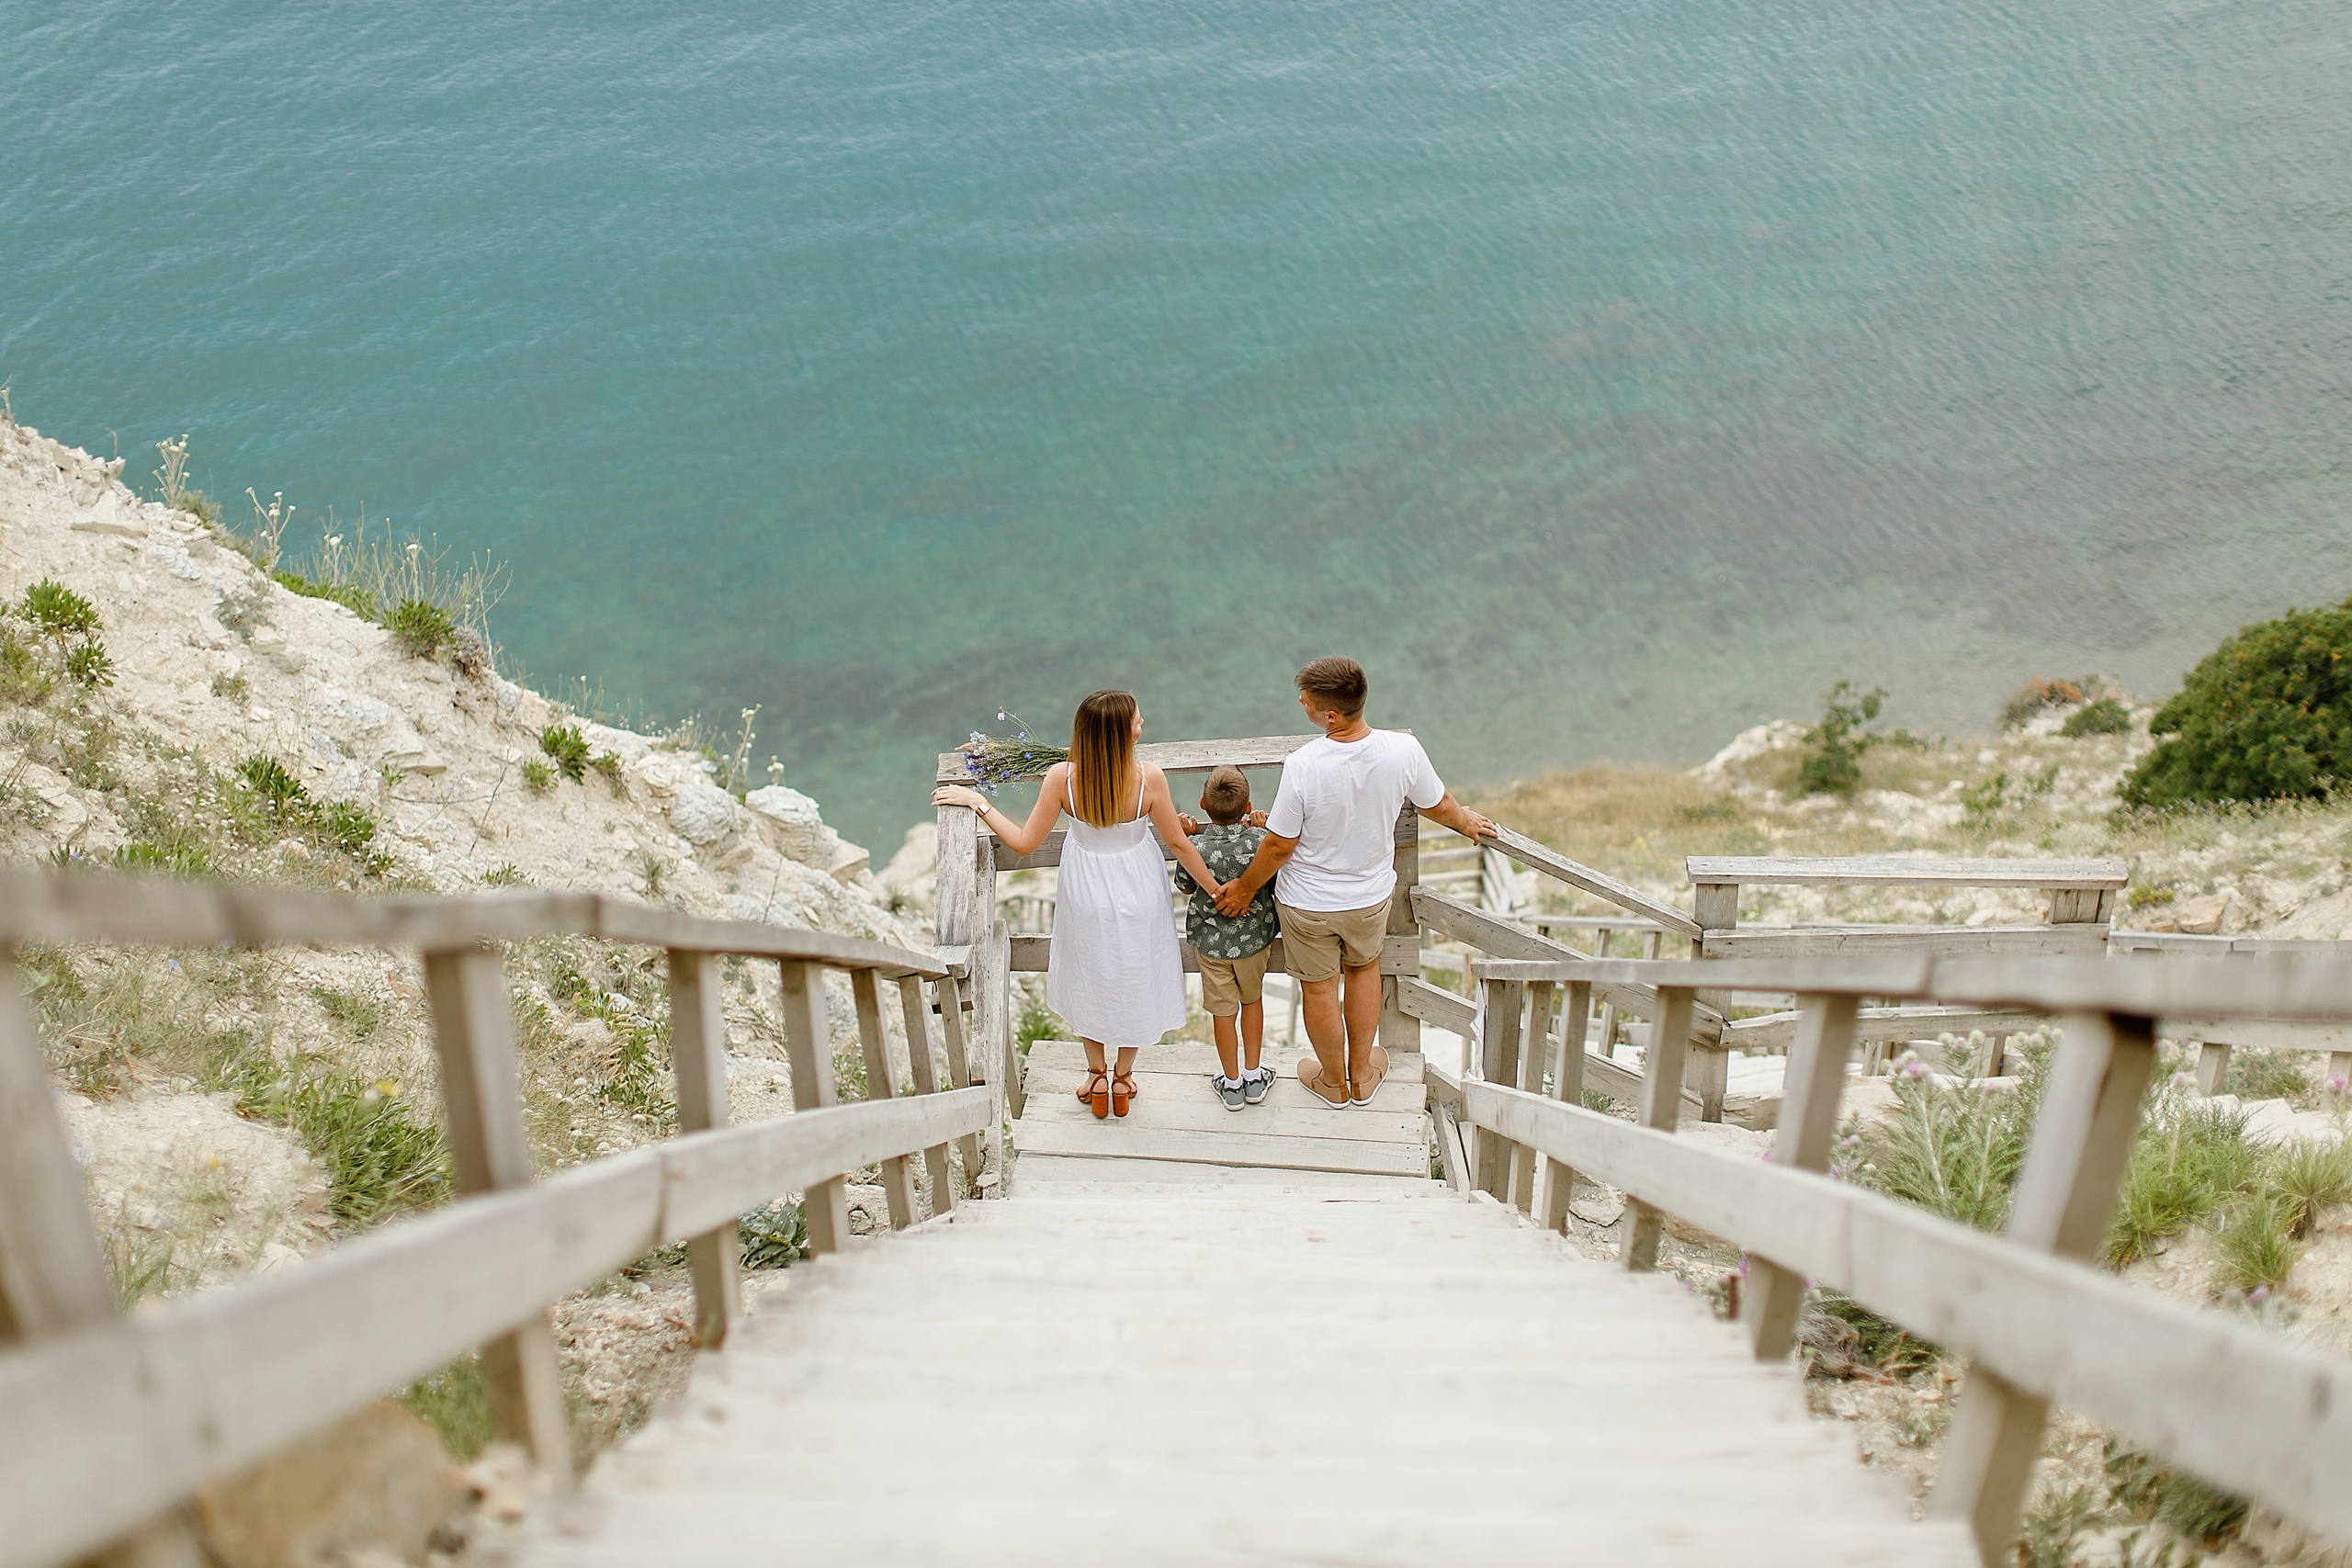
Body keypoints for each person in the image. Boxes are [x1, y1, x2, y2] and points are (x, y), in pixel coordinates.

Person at [1216, 658, 1497, 1108]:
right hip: (1368, 897)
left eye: (1307, 700)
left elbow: (1277, 847)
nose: (1301, 702)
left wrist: (1246, 888)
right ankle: (1363, 1075)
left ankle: (1332, 1082)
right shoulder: (1403, 750)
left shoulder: (1304, 764)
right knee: (1364, 971)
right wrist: (1465, 822)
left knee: (1319, 987)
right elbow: (1438, 802)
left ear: (1331, 716)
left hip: (1307, 903)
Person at [933, 691, 1224, 1120]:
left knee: (1091, 975)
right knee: (1134, 974)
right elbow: (1179, 843)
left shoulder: (1061, 779)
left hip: (1085, 890)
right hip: (1139, 889)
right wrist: (1216, 890)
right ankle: (1123, 1078)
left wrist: (979, 802)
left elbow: (1025, 843)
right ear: (1121, 735)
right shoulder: (1149, 778)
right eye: (1138, 722)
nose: (1143, 724)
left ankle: (1096, 1076)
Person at [1172, 765, 1278, 1111]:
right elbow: (1274, 877)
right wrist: (1263, 828)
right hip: (1253, 941)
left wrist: (1185, 835)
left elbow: (1186, 886)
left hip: (1211, 944)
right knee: (1252, 1002)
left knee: (1222, 1012)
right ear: (1248, 808)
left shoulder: (1194, 847)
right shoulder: (1260, 841)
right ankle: (1253, 1076)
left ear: (1203, 803)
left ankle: (1231, 1084)